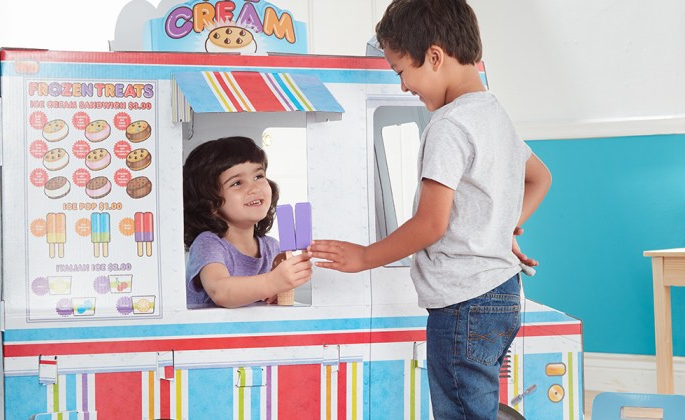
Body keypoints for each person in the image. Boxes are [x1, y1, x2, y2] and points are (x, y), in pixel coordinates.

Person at [308, 0, 552, 417]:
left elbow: (431, 224)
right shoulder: (494, 114)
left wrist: (365, 256)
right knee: (478, 406)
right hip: (504, 295)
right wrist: (500, 230)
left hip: (463, 304)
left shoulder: (449, 126)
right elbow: (540, 178)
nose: (404, 86)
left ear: (434, 57)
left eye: (402, 71)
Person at [183, 136, 312, 309]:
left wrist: (280, 289)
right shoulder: (208, 244)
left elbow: (269, 295)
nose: (254, 188)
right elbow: (221, 292)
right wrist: (272, 282)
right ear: (210, 203)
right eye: (237, 183)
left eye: (258, 176)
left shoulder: (271, 247)